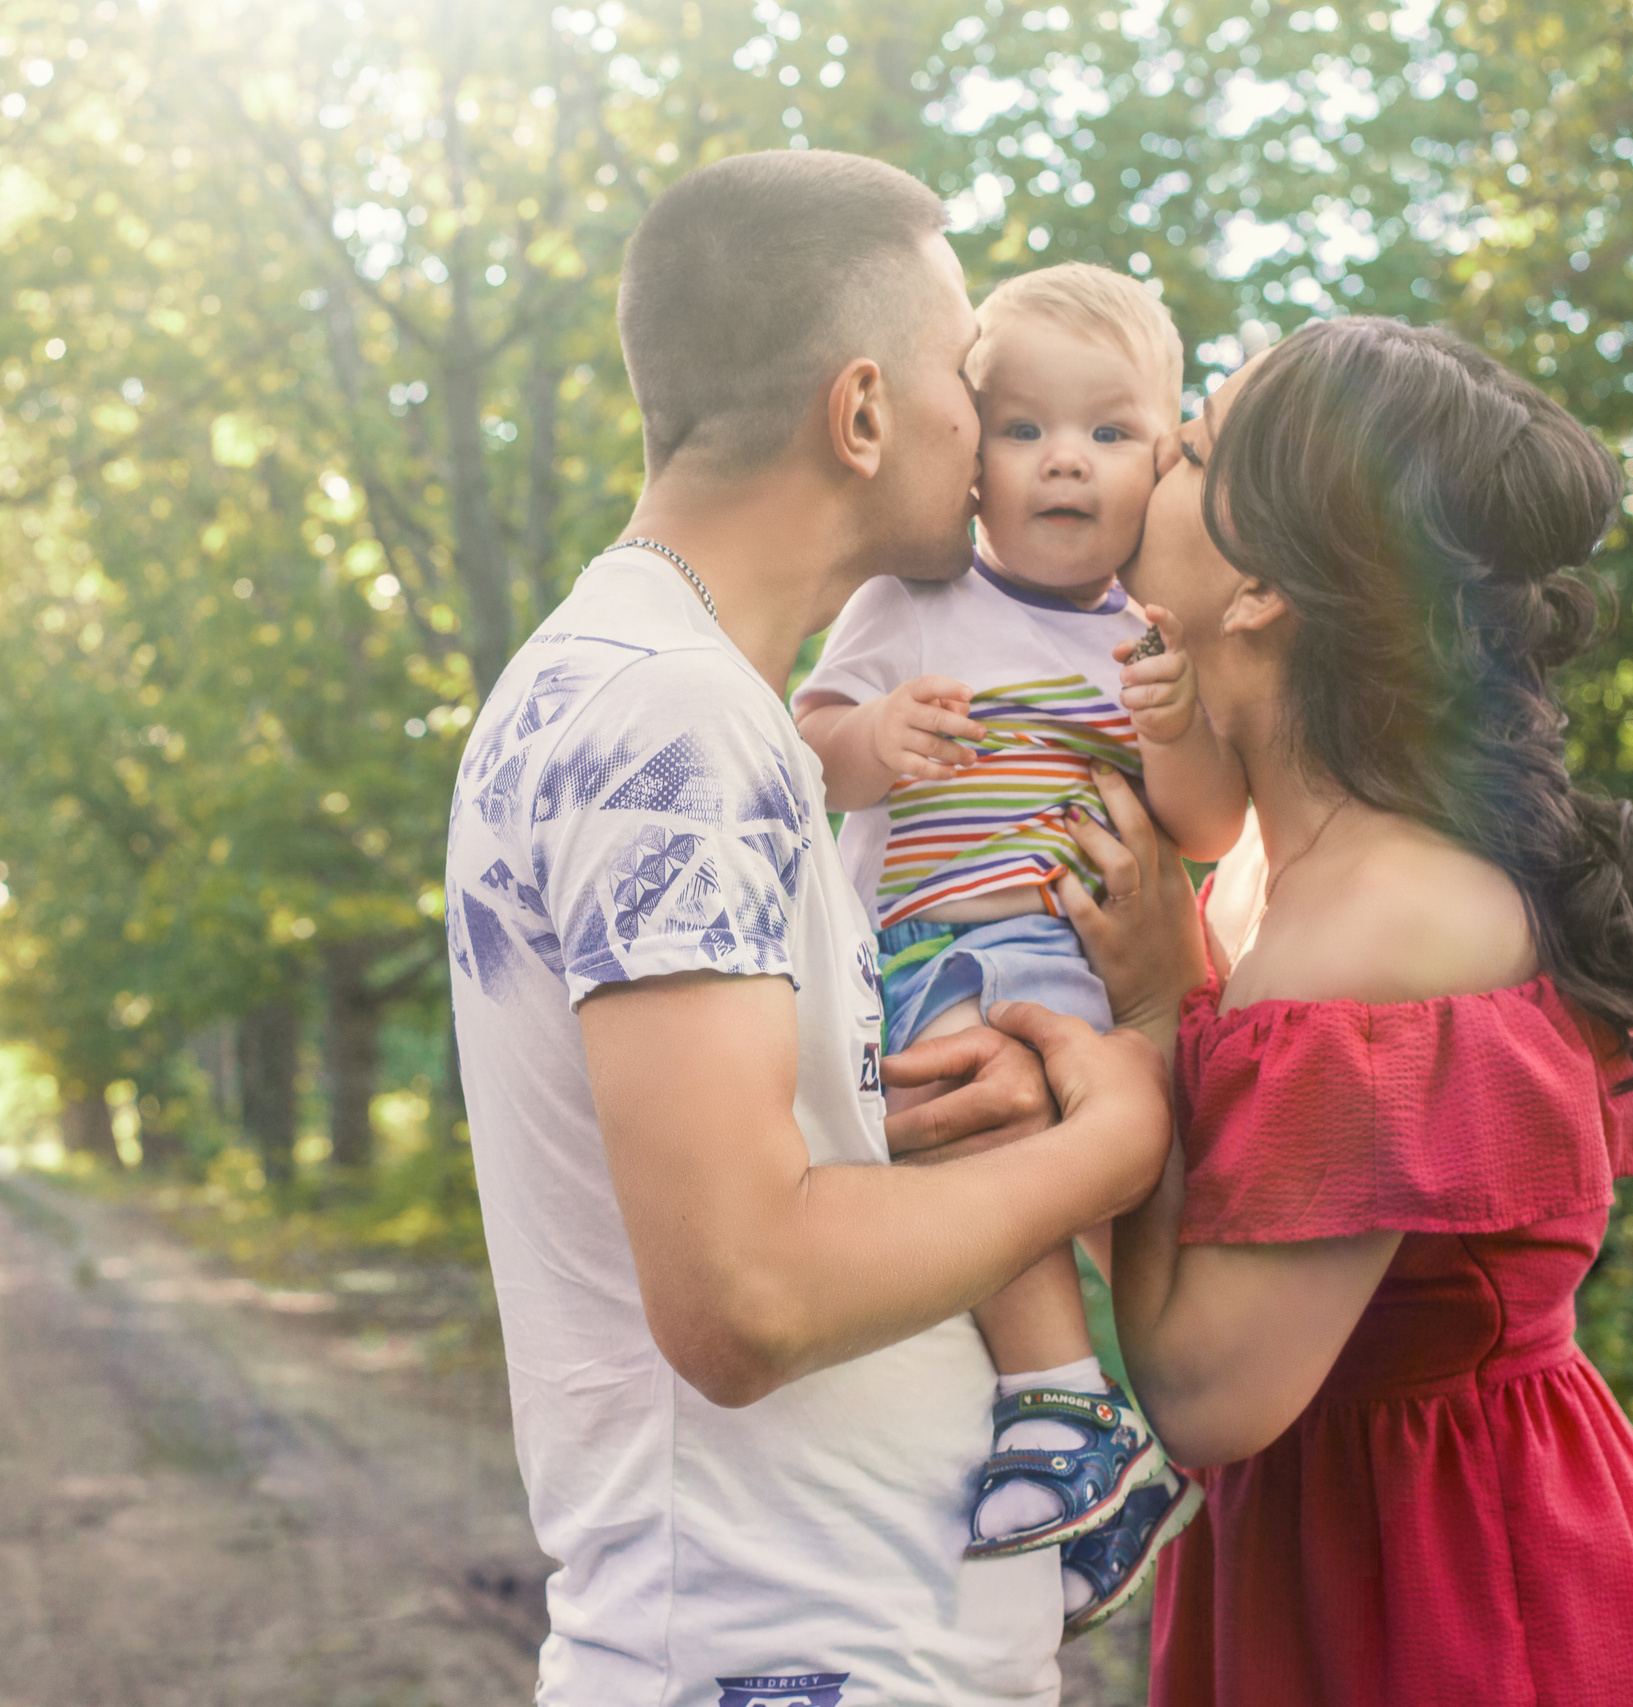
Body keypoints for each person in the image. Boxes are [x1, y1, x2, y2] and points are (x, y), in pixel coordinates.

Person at [442, 150, 1174, 1707]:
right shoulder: (675, 725)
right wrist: (1110, 1142)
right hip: (794, 1655)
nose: (988, 429)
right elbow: (747, 1292)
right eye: (968, 379)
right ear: (860, 413)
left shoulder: (667, 700)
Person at [1056, 316, 1633, 1702]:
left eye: (1188, 449)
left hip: (1461, 1598)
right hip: (1324, 1554)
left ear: (1258, 588)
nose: (1146, 465)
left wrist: (1148, 1012)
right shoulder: (1268, 870)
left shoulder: (1396, 929)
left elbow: (1203, 1396)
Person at [791, 263, 1242, 1635]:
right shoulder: (909, 606)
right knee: (969, 1137)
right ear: (968, 454)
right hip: (927, 953)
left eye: (1110, 433)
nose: (1065, 462)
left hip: (1080, 969)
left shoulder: (1151, 642)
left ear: (1164, 459)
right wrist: (873, 743)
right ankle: (1075, 1418)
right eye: (1024, 428)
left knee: (1035, 1151)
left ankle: (1095, 1411)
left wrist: (1175, 718)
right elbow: (805, 756)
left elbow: (1209, 825)